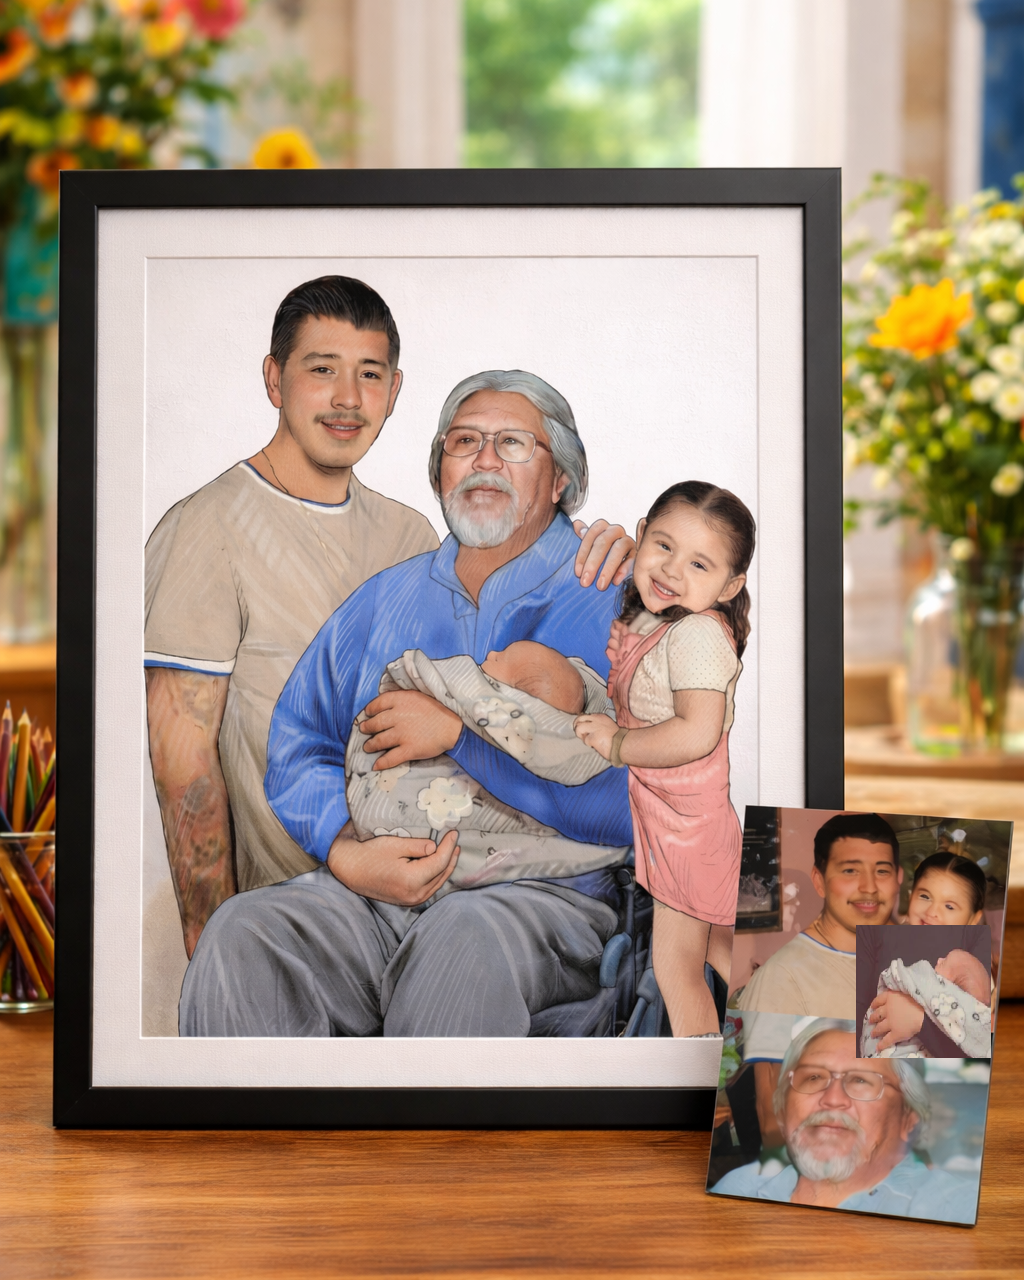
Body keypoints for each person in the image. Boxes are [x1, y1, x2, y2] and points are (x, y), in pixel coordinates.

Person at [144, 279, 632, 958]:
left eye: (514, 445)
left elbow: (656, 791)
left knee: (462, 943)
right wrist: (338, 852)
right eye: (465, 441)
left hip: (535, 905)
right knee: (242, 943)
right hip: (327, 890)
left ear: (562, 480)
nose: (348, 397)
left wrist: (670, 570)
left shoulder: (417, 535)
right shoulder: (363, 578)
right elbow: (219, 758)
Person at [574, 481, 754, 1037]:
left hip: (687, 831)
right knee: (730, 950)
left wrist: (617, 744)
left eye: (699, 564)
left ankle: (698, 1087)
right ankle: (790, 1039)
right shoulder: (664, 616)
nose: (673, 570)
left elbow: (696, 733)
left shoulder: (698, 633)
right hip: (673, 822)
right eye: (663, 545)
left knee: (676, 967)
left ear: (731, 586)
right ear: (642, 534)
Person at [709, 1020, 981, 1223]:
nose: (832, 1099)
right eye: (814, 1077)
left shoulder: (952, 1207)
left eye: (861, 1080)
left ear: (909, 1118)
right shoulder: (737, 1188)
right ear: (782, 1109)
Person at [736, 812, 903, 1021]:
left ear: (898, 878)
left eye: (882, 871)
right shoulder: (782, 980)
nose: (869, 888)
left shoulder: (913, 956)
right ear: (819, 881)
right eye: (850, 870)